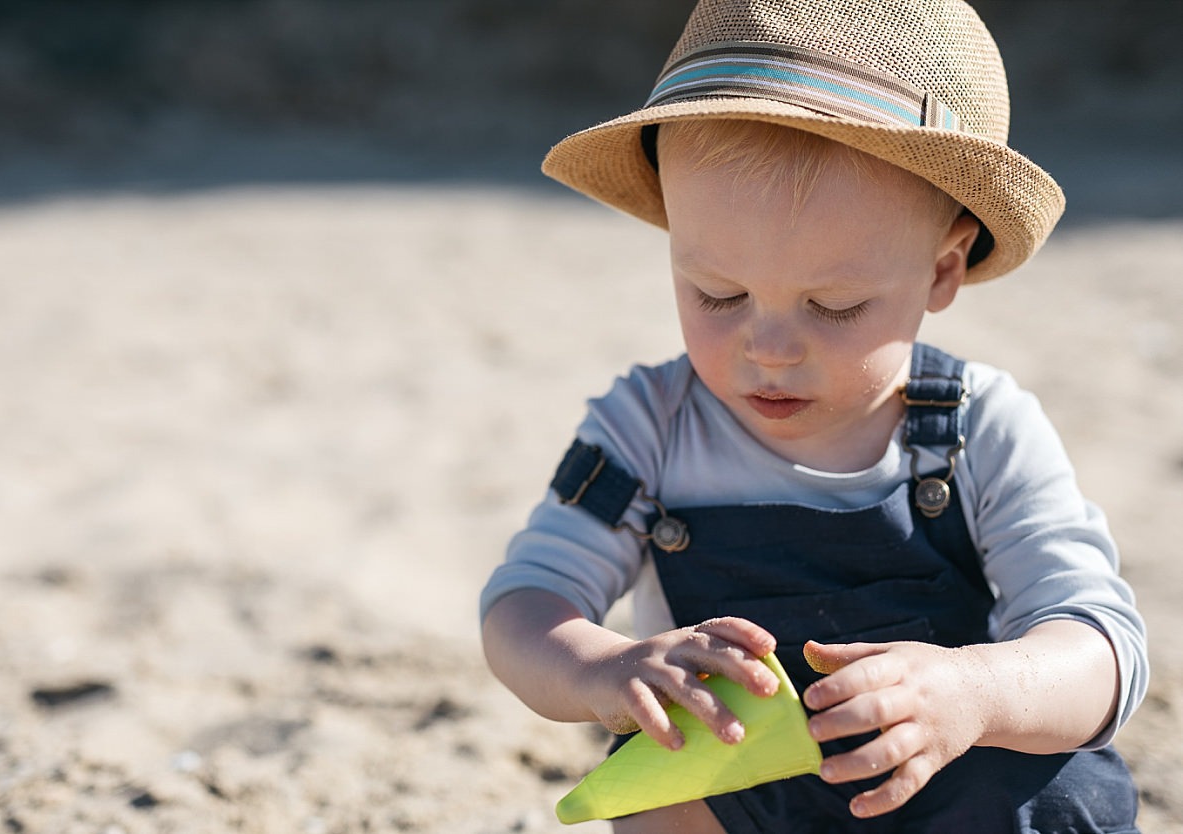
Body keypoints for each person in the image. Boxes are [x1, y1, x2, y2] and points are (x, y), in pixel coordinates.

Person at [479, 0, 1148, 830]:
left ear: (942, 271)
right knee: (658, 795)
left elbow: (1104, 647)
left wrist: (973, 692)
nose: (768, 348)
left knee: (1060, 794)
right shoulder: (646, 425)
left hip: (942, 776)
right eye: (716, 294)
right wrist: (603, 668)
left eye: (833, 306)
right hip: (740, 776)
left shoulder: (983, 430)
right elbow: (525, 604)